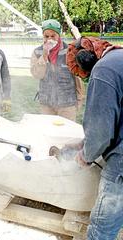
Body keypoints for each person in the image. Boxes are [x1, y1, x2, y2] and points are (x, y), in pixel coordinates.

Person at [66, 36, 123, 240]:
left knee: (101, 228)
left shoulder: (103, 71)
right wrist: (84, 142)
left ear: (86, 60)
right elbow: (116, 116)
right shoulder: (119, 58)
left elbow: (101, 130)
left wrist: (86, 155)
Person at [30, 19, 84, 121]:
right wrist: (44, 55)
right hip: (46, 104)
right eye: (46, 36)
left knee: (67, 134)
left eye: (53, 36)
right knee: (49, 133)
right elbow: (37, 75)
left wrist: (79, 100)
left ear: (59, 35)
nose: (50, 39)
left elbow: (78, 77)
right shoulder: (37, 52)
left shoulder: (70, 51)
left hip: (67, 104)